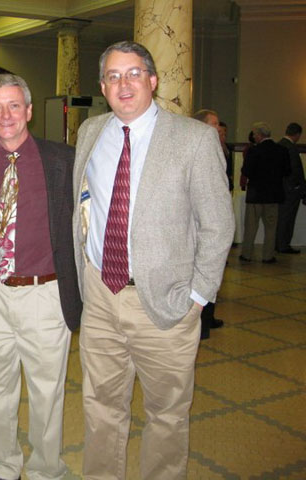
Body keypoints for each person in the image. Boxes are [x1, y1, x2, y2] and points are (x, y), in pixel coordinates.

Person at [73, 41, 234, 479]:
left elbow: (218, 225)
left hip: (165, 302)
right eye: (112, 76)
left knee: (166, 413)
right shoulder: (90, 132)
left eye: (133, 74)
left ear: (153, 80)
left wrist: (198, 296)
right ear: (102, 86)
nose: (123, 85)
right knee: (100, 406)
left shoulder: (194, 139)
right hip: (101, 296)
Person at [0, 74, 82, 480]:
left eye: (14, 105)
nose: (6, 115)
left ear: (29, 110)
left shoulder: (62, 160)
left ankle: (47, 470)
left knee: (47, 392)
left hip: (44, 293)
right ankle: (4, 465)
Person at [192, 109, 229, 339]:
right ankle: (202, 324)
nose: (219, 128)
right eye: (214, 124)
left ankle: (207, 320)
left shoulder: (218, 148)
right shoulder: (199, 150)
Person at [240, 122, 291, 263]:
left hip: (255, 195)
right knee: (271, 228)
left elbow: (246, 171)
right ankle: (268, 256)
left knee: (250, 227)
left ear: (259, 135)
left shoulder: (253, 151)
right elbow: (287, 171)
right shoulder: (281, 150)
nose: (254, 137)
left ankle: (247, 254)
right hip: (273, 195)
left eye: (255, 134)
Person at [276, 122, 304, 254]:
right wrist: (297, 187)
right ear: (297, 135)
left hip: (281, 188)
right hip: (290, 190)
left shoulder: (279, 144)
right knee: (287, 218)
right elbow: (295, 170)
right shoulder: (291, 148)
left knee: (281, 217)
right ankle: (283, 244)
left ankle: (278, 243)